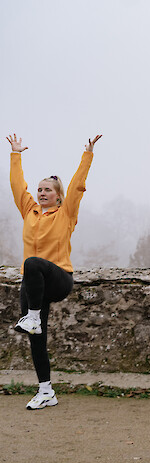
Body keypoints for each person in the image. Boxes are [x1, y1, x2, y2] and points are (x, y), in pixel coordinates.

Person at [7, 133, 102, 410]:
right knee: (37, 339)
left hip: (59, 278)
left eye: (47, 190)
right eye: (39, 190)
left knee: (32, 263)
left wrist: (87, 155)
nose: (41, 193)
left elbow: (76, 187)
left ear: (58, 197)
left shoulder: (66, 213)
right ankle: (46, 391)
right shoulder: (29, 211)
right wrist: (16, 155)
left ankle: (32, 317)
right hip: (34, 285)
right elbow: (17, 187)